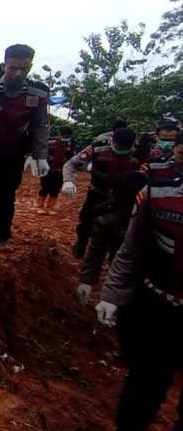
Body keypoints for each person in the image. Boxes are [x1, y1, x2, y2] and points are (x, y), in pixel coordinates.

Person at [94, 129, 183, 430]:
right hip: (158, 303)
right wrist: (112, 293)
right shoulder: (155, 192)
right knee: (145, 387)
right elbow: (131, 250)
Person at [0, 44, 50, 258]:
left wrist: (40, 155)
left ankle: (3, 236)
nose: (17, 73)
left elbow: (40, 125)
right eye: (12, 67)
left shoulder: (38, 92)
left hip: (14, 153)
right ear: (4, 64)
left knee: (7, 196)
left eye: (23, 69)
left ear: (30, 67)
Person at [71, 128, 144, 305]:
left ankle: (112, 295)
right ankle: (86, 283)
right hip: (99, 199)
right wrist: (69, 180)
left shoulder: (144, 155)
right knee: (93, 237)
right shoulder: (99, 147)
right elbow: (74, 163)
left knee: (119, 251)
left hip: (127, 206)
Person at [64, 120, 133, 260]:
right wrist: (68, 181)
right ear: (112, 140)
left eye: (125, 148)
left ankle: (113, 259)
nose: (121, 150)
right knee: (86, 222)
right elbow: (71, 163)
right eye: (118, 146)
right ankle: (81, 246)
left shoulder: (141, 150)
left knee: (119, 230)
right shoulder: (98, 147)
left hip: (123, 197)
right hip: (97, 191)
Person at [37, 126, 74, 215]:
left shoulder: (70, 144)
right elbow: (42, 153)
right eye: (64, 135)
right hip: (47, 169)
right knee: (45, 188)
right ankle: (40, 206)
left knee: (55, 190)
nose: (65, 138)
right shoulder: (50, 142)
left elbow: (70, 158)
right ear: (59, 134)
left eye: (67, 136)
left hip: (60, 171)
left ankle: (50, 208)